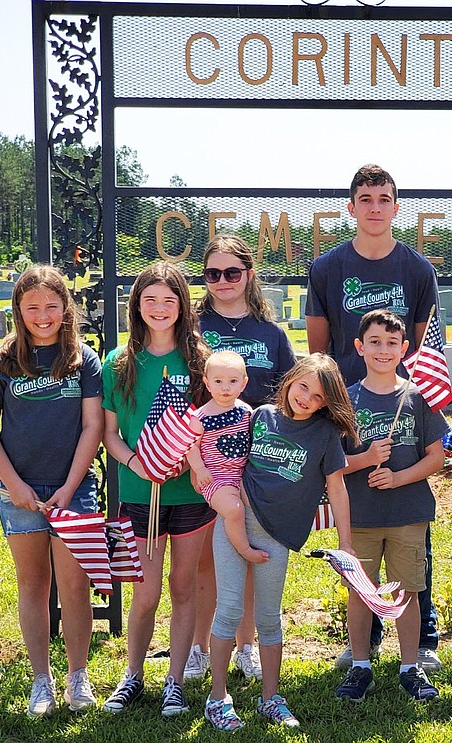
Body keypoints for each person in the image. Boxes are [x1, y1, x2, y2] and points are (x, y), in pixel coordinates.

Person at [306, 164, 442, 673]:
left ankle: (422, 631)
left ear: (396, 206)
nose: (375, 207)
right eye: (366, 198)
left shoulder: (416, 270)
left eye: (384, 198)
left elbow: (421, 345)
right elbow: (319, 348)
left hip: (405, 404)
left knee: (409, 520)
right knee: (357, 514)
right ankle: (365, 637)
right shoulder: (327, 269)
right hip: (350, 404)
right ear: (352, 206)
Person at [0, 264, 103, 716]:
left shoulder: (83, 359)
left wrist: (69, 487)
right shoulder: (2, 359)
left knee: (75, 586)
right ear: (19, 310)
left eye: (52, 306)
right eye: (33, 308)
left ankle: (78, 676)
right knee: (32, 584)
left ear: (66, 309)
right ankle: (41, 680)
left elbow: (93, 425)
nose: (43, 315)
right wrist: (16, 485)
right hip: (20, 494)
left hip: (73, 489)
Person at [203, 354, 356, 731]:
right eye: (303, 386)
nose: (306, 398)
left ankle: (270, 698)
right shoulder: (260, 417)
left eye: (318, 396)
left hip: (276, 535)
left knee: (269, 619)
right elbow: (214, 446)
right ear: (289, 381)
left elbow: (336, 488)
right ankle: (217, 697)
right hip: (235, 524)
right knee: (230, 610)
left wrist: (346, 542)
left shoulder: (324, 436)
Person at [101, 262, 213, 717]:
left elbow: (213, 423)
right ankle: (133, 675)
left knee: (183, 586)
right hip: (138, 492)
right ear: (136, 306)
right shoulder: (118, 362)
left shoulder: (200, 362)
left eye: (169, 300)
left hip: (189, 495)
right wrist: (136, 462)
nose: (160, 308)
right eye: (150, 300)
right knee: (145, 593)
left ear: (183, 306)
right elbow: (109, 433)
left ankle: (174, 681)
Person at [188, 234, 297, 683]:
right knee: (204, 561)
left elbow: (289, 393)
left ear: (248, 275)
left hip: (255, 464)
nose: (222, 281)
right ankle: (200, 645)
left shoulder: (270, 332)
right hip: (202, 459)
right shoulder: (191, 327)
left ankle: (247, 646)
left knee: (250, 553)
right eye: (213, 273)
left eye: (232, 272)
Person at [335, 309, 449, 703]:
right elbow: (331, 463)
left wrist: (399, 477)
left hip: (407, 512)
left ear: (404, 349)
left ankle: (409, 666)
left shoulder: (418, 397)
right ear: (359, 347)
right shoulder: (347, 399)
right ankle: (360, 665)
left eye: (391, 343)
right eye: (374, 342)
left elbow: (437, 457)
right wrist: (366, 459)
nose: (383, 350)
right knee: (360, 591)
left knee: (406, 591)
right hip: (361, 515)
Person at [186, 351, 261, 562]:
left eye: (232, 381)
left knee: (254, 507)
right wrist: (199, 469)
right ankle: (244, 549)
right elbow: (192, 446)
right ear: (207, 383)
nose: (225, 387)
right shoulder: (200, 416)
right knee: (234, 510)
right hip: (215, 477)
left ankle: (258, 540)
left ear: (243, 384)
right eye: (218, 381)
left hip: (243, 475)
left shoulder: (246, 411)